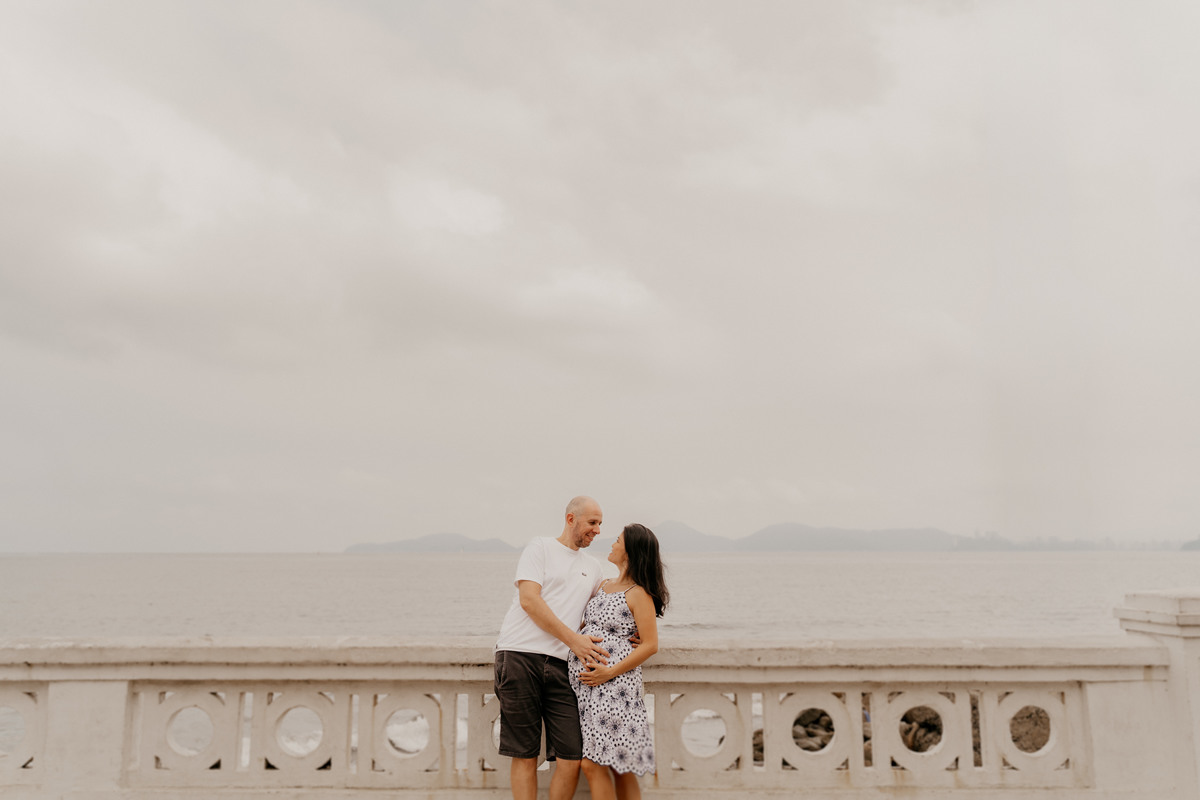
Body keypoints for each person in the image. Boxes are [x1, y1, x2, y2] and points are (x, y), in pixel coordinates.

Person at [494, 496, 611, 800]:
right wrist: (574, 640)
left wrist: (633, 632)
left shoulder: (593, 567)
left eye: (600, 524)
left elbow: (609, 608)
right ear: (571, 519)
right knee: (525, 754)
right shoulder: (540, 547)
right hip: (519, 656)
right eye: (592, 522)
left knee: (571, 758)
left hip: (562, 667)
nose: (597, 530)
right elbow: (529, 600)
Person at [569, 523, 669, 800]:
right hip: (588, 691)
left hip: (616, 689)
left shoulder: (638, 593)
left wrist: (608, 672)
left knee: (593, 764)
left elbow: (650, 644)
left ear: (630, 551)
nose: (612, 544)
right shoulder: (603, 585)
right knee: (621, 766)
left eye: (617, 541)